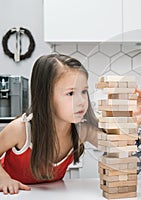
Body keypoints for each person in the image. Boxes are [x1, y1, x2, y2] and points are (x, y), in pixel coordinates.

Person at [0, 54, 100, 195]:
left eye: (84, 91)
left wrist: (135, 119)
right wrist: (3, 179)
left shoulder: (81, 131)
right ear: (46, 96)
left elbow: (115, 145)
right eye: (71, 93)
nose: (81, 101)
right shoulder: (21, 130)